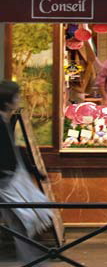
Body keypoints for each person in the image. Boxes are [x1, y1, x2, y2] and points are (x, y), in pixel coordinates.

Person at [0, 80, 53, 266]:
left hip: (12, 178)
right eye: (17, 96)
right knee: (21, 223)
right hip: (6, 181)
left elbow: (15, 150)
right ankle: (33, 261)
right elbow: (9, 152)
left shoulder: (6, 120)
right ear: (8, 101)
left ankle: (32, 260)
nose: (20, 99)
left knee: (21, 222)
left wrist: (34, 171)